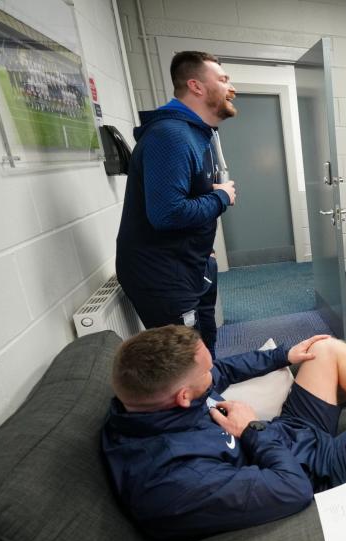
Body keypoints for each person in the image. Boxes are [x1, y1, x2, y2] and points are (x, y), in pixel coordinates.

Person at [102, 325, 346, 541]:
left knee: (322, 350)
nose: (214, 373)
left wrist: (283, 356)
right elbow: (291, 490)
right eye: (206, 372)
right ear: (183, 397)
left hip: (282, 436)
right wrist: (251, 429)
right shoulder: (172, 480)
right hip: (307, 473)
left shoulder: (149, 403)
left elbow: (222, 372)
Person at [116, 51, 238, 357]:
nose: (231, 88)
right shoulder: (171, 136)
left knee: (205, 347)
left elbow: (187, 197)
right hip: (164, 276)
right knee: (184, 361)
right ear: (196, 86)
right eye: (223, 80)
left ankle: (210, 395)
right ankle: (198, 402)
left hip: (192, 262)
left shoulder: (199, 134)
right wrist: (222, 197)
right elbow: (167, 214)